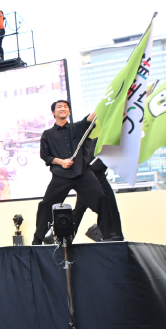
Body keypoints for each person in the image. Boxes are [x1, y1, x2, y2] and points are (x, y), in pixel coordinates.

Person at [32, 100, 104, 245]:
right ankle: (37, 240)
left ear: (69, 111)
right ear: (53, 112)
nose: (63, 108)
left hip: (82, 173)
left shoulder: (76, 128)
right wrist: (61, 162)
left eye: (66, 107)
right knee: (46, 205)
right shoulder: (47, 134)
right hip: (61, 175)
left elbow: (89, 119)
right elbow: (45, 156)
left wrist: (105, 102)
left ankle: (109, 235)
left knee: (102, 201)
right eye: (59, 107)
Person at [71, 139, 124, 241]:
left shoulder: (104, 136)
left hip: (99, 174)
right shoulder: (86, 136)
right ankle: (66, 237)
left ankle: (116, 236)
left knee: (110, 204)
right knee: (80, 209)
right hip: (88, 175)